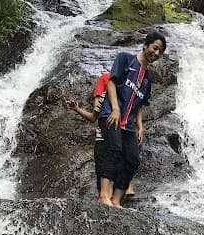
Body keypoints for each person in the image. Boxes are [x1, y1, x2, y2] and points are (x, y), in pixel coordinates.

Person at [96, 30, 166, 207]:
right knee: (113, 150)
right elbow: (112, 82)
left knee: (133, 159)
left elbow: (140, 104)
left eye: (160, 52)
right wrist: (115, 108)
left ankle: (116, 200)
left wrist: (140, 127)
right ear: (145, 45)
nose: (156, 53)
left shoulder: (147, 78)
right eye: (154, 48)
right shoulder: (125, 59)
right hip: (112, 115)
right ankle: (104, 196)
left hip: (128, 124)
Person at [67, 71, 137, 198]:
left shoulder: (125, 98)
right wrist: (77, 109)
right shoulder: (104, 96)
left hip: (118, 132)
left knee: (122, 154)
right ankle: (106, 195)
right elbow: (94, 116)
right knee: (106, 160)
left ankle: (125, 188)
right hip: (103, 135)